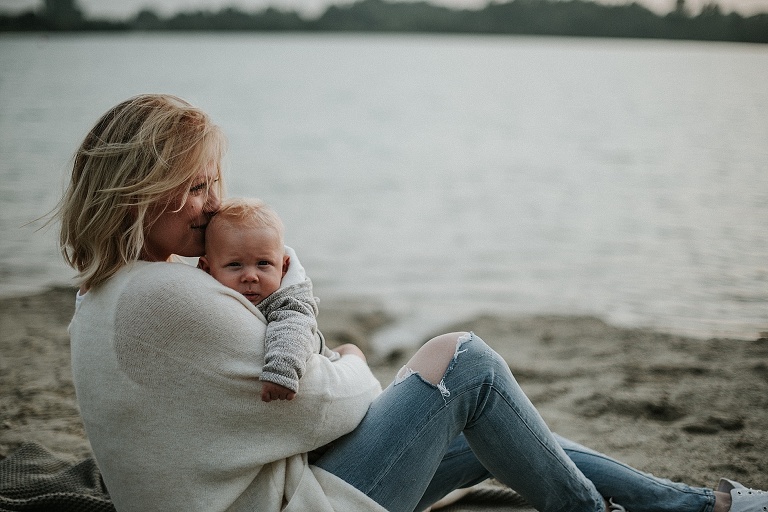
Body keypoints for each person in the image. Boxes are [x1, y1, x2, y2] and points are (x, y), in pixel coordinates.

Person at [56, 93, 767, 512]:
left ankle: (704, 507)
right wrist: (356, 363)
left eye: (213, 185)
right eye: (196, 187)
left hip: (260, 489)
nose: (210, 210)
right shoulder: (167, 296)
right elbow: (314, 406)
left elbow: (248, 406)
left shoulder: (109, 291)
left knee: (495, 429)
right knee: (466, 362)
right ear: (142, 185)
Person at [198, 197, 338, 402]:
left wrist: (281, 370)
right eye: (235, 265)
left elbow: (293, 328)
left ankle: (352, 353)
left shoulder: (287, 301)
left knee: (347, 354)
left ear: (283, 267)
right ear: (207, 269)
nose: (250, 276)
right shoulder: (205, 294)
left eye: (263, 263)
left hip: (324, 362)